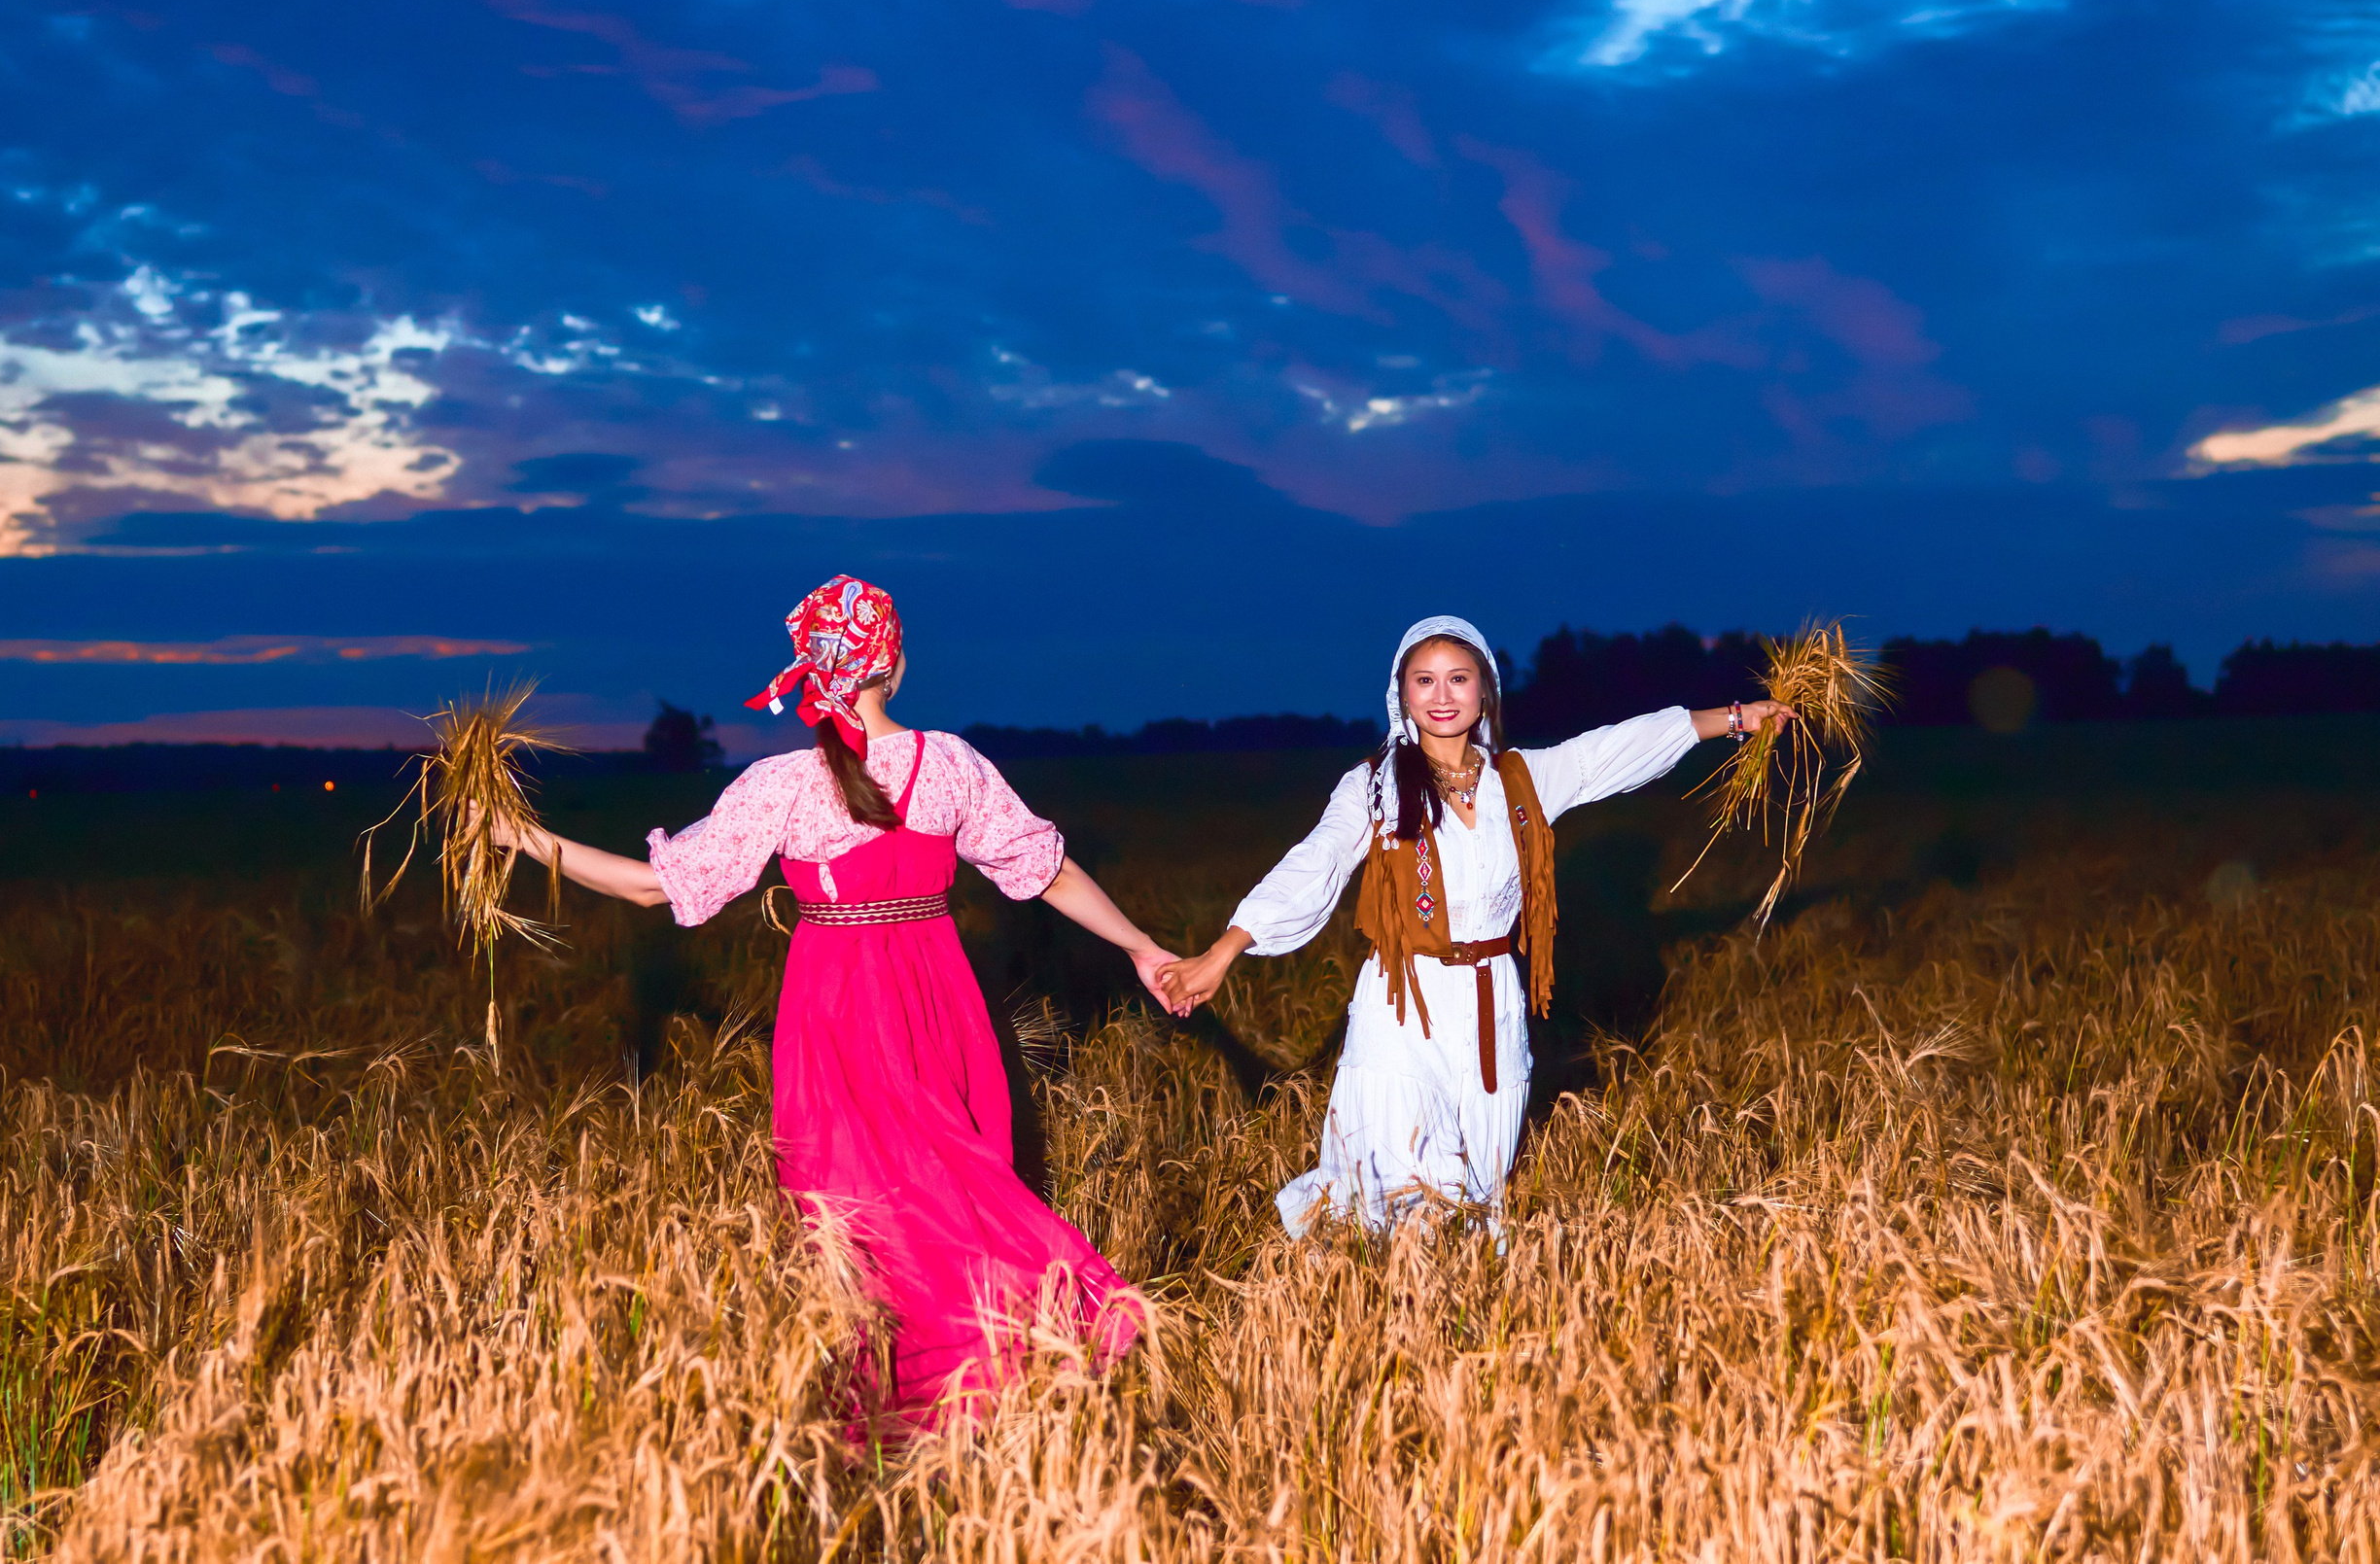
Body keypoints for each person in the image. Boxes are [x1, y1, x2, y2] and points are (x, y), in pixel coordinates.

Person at [492, 574, 1173, 1427]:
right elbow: (1050, 872)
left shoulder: (780, 785)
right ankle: (1013, 1369)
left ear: (808, 672)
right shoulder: (950, 763)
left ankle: (911, 1399)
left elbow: (648, 889)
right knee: (953, 1180)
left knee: (864, 1210)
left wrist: (519, 834)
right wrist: (1143, 947)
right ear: (895, 662)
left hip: (836, 1012)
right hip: (939, 1001)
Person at [1159, 615, 1791, 1236]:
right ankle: (1372, 1309)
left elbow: (1615, 750)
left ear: (1484, 689)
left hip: (1493, 1003)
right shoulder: (1374, 788)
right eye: (1424, 681)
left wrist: (1736, 719)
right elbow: (1313, 864)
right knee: (1395, 1175)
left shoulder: (1522, 778)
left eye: (1457, 679)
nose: (1441, 696)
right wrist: (1224, 951)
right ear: (1400, 692)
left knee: (1474, 1188)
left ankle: (1447, 1317)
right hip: (1402, 1004)